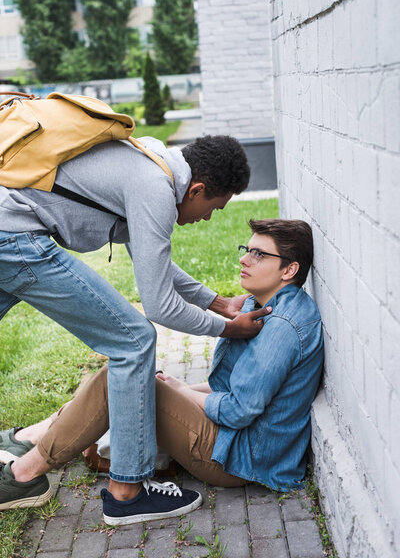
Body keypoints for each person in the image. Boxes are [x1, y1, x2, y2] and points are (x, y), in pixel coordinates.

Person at [0, 134, 269, 518]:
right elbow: (160, 306)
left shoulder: (148, 156)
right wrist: (229, 329)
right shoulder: (154, 188)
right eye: (214, 207)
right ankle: (127, 491)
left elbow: (152, 261)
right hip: (15, 239)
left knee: (131, 339)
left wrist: (219, 302)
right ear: (197, 189)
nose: (208, 217)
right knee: (134, 341)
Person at [0, 219, 324, 525]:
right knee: (129, 378)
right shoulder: (262, 305)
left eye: (258, 254)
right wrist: (184, 388)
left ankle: (23, 475)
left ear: (289, 269)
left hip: (239, 459)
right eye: (247, 250)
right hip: (230, 439)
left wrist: (181, 393)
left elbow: (238, 411)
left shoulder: (282, 328)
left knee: (117, 382)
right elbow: (236, 388)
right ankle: (34, 442)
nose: (245, 260)